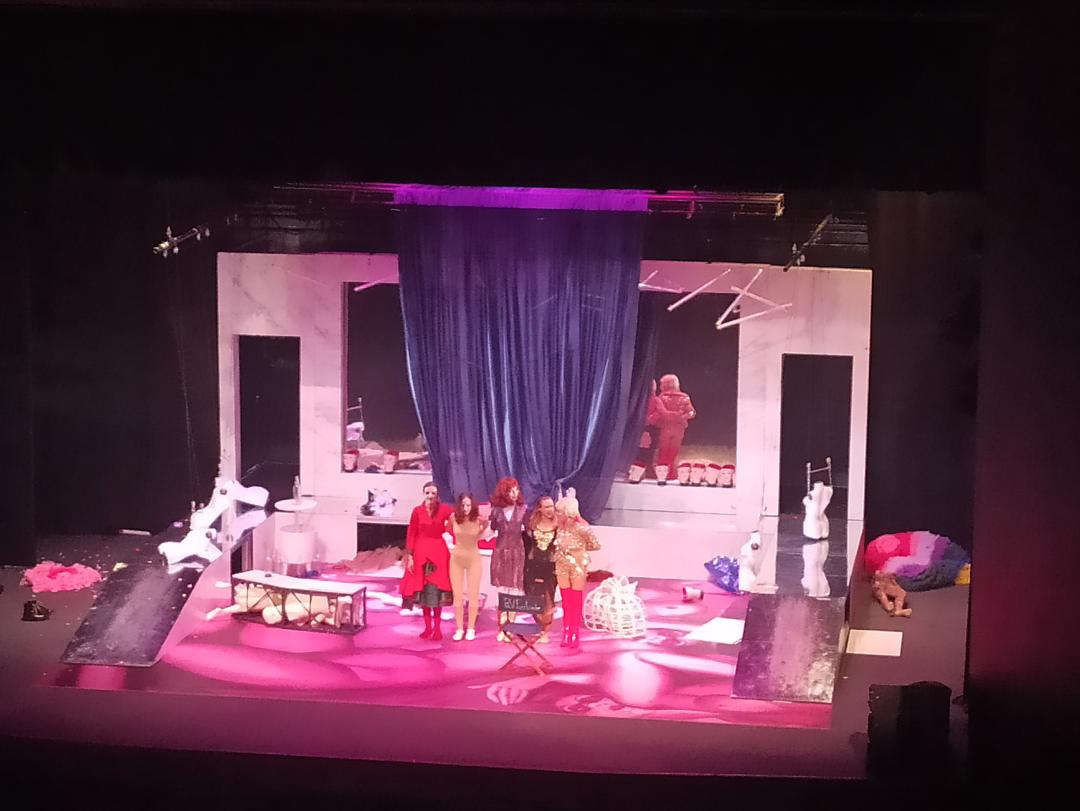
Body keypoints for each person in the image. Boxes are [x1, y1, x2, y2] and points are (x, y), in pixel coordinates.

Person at [400, 481, 454, 640]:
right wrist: (410, 555)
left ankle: (437, 629)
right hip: (421, 554)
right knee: (423, 593)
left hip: (438, 555)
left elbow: (455, 524)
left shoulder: (445, 509)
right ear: (423, 494)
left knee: (436, 594)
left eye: (433, 493)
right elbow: (412, 533)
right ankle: (427, 627)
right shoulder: (417, 511)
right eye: (427, 493)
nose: (430, 496)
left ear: (438, 495)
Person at [553, 487, 600, 648]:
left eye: (560, 512)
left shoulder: (582, 528)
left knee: (575, 599)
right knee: (565, 599)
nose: (557, 515)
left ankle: (574, 631)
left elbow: (595, 545)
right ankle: (566, 630)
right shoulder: (559, 528)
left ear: (568, 513)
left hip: (578, 566)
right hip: (561, 565)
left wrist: (579, 550)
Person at [488, 476, 527, 642]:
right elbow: (491, 531)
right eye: (511, 490)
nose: (515, 493)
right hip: (501, 554)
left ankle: (510, 628)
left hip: (517, 553)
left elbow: (528, 533)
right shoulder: (496, 511)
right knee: (503, 593)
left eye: (516, 489)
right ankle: (502, 628)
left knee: (515, 592)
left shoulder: (523, 510)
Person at [448, 492, 488, 641]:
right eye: (463, 505)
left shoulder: (480, 520)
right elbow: (448, 531)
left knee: (473, 595)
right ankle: (459, 628)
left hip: (473, 558)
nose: (465, 508)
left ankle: (471, 628)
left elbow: (484, 533)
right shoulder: (453, 518)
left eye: (468, 505)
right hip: (456, 558)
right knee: (457, 595)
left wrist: (481, 532)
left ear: (473, 506)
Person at [523, 495, 559, 643]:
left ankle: (545, 632)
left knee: (548, 599)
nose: (550, 510)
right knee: (532, 599)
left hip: (550, 568)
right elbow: (526, 548)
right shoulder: (531, 527)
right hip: (532, 567)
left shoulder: (558, 527)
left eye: (552, 506)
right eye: (546, 507)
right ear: (539, 509)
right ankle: (539, 627)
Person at [654, 373, 696, 479]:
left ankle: (661, 473)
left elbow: (658, 413)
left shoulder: (662, 397)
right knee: (674, 451)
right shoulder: (684, 397)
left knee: (663, 451)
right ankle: (671, 473)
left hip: (665, 428)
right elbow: (692, 412)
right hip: (679, 428)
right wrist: (682, 417)